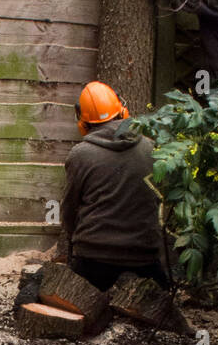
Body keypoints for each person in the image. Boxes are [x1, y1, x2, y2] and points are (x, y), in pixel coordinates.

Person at [55, 80, 169, 291]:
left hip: (94, 256)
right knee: (161, 295)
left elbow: (69, 210)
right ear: (122, 111)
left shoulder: (80, 155)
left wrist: (74, 242)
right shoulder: (151, 148)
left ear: (83, 123)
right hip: (144, 256)